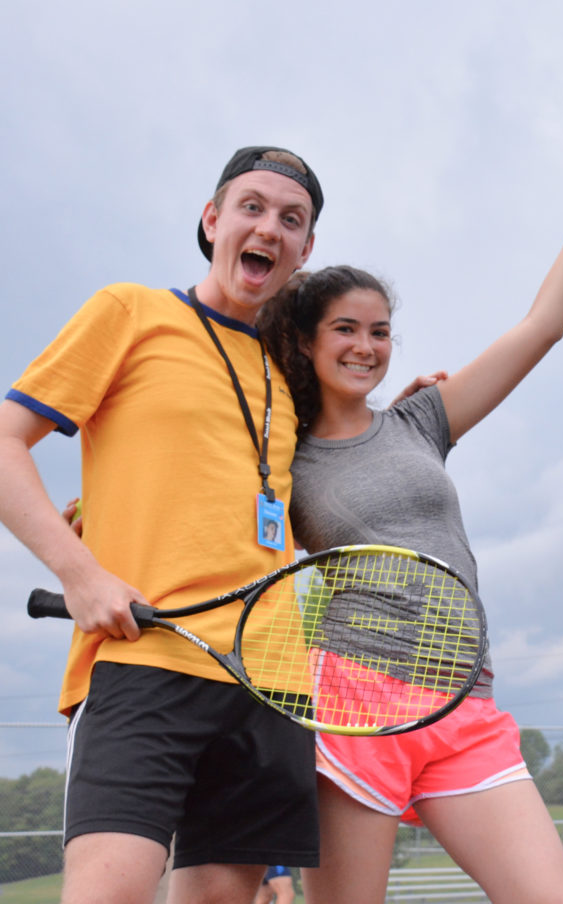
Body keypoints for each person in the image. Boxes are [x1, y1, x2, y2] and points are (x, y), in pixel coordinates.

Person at [256, 134, 563, 904]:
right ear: (305, 341)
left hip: (465, 703)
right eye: (345, 328)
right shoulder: (282, 456)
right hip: (355, 706)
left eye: (378, 331)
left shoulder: (421, 421)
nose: (366, 346)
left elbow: (542, 327)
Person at [0, 146, 324, 904]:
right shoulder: (131, 311)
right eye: (252, 207)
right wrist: (79, 573)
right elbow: (7, 441)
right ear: (212, 220)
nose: (269, 228)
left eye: (291, 219)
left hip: (270, 681)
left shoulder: (289, 372)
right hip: (146, 654)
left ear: (306, 249)